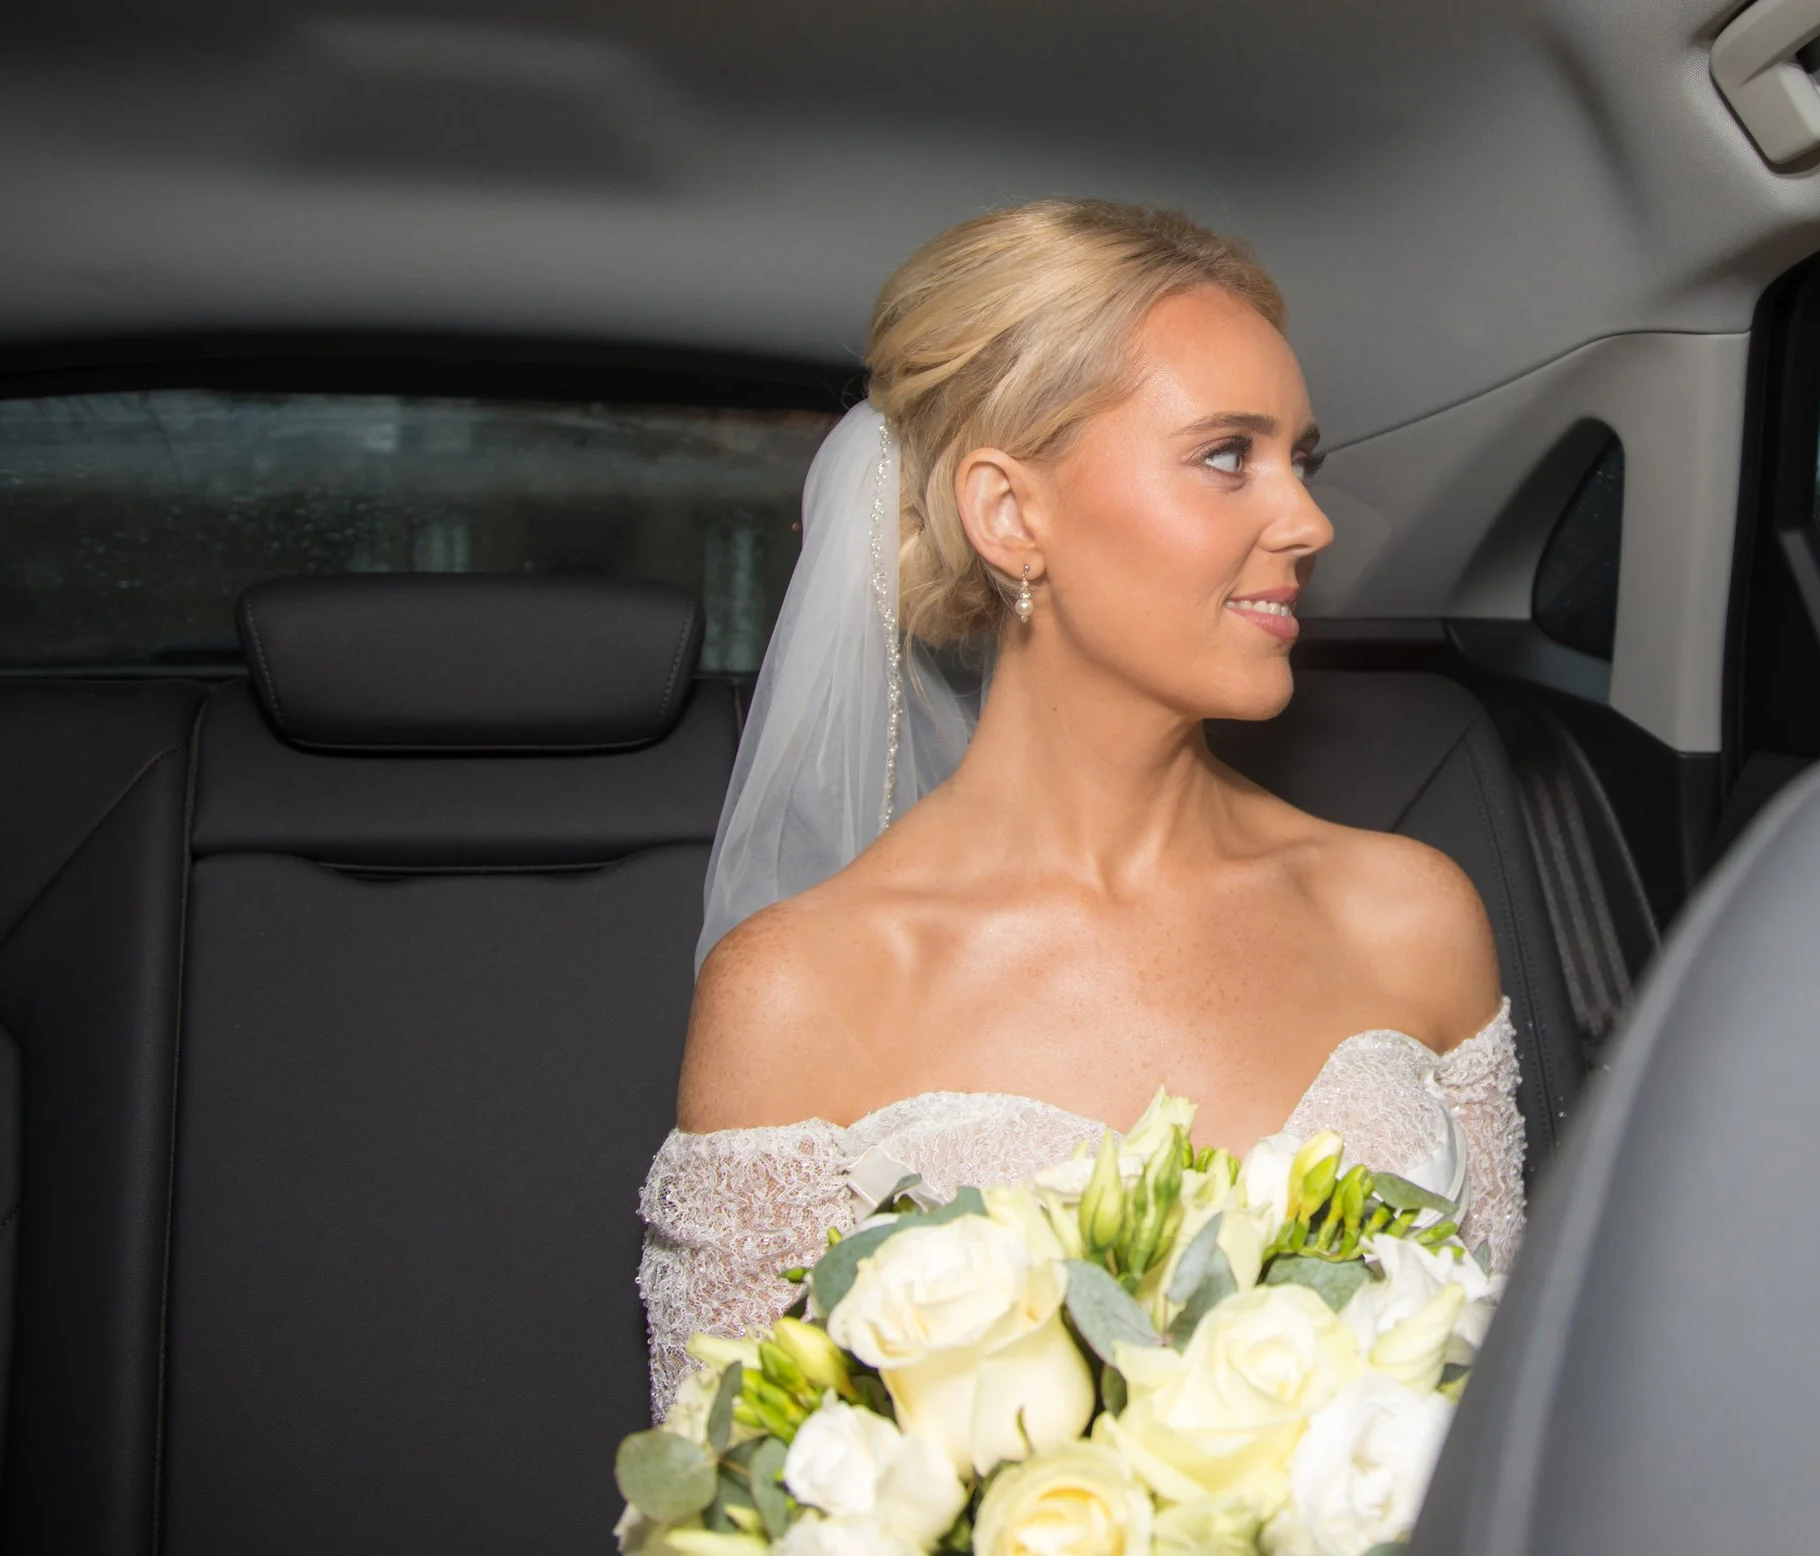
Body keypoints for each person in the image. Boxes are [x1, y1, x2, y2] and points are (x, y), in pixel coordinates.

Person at [638, 199, 1524, 1417]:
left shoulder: (1409, 914)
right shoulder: (799, 991)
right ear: (1011, 515)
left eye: (1300, 460)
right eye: (1227, 455)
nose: (1308, 521)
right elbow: (731, 1494)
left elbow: (1514, 1420)